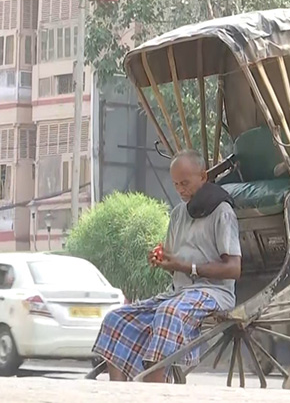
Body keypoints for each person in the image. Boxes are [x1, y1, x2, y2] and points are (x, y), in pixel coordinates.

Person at [92, 150, 242, 383]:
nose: (180, 190)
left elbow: (233, 269)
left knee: (168, 313)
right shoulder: (178, 214)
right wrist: (163, 261)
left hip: (213, 292)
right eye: (175, 184)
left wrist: (186, 267)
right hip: (179, 293)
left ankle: (157, 391)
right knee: (116, 319)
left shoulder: (222, 212)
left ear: (203, 177)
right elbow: (174, 262)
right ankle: (119, 393)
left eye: (185, 183)